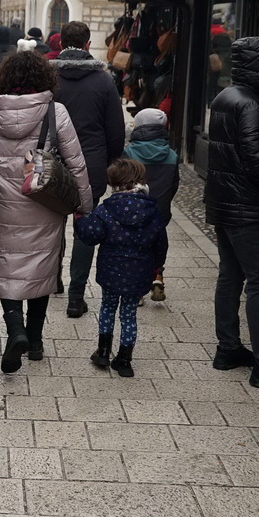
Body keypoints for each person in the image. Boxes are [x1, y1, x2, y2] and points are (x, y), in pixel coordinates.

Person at [0, 51, 92, 373]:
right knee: (40, 269)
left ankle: (15, 329)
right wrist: (85, 206)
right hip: (44, 202)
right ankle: (35, 340)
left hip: (5, 203)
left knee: (8, 267)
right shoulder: (55, 111)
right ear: (45, 78)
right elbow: (76, 162)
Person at [205, 36, 259, 394]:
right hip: (250, 209)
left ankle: (228, 348)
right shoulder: (253, 105)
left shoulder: (227, 96)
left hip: (226, 204)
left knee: (231, 276)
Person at [51, 21, 125, 318]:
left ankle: (53, 279)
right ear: (87, 44)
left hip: (55, 163)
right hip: (90, 165)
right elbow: (115, 129)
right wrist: (109, 161)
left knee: (53, 223)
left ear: (60, 44)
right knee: (84, 228)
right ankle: (76, 296)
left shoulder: (50, 78)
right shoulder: (104, 81)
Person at [76, 159, 168, 378]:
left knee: (108, 308)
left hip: (111, 271)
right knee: (129, 315)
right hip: (139, 273)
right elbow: (161, 243)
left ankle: (103, 352)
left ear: (114, 183)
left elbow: (91, 235)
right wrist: (156, 266)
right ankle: (124, 360)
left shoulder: (106, 209)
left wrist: (80, 218)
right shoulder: (152, 211)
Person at [123, 108, 180, 302]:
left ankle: (137, 289)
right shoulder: (172, 155)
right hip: (159, 210)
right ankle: (157, 276)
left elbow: (123, 184)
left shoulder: (128, 153)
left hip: (133, 210)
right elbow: (174, 185)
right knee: (156, 243)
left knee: (134, 246)